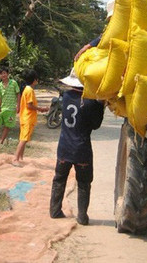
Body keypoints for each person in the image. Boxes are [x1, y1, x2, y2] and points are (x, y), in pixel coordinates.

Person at [49, 68, 104, 225]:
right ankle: (82, 217)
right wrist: (100, 105)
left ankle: (55, 211)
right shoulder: (90, 102)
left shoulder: (66, 96)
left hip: (64, 148)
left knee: (59, 179)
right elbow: (96, 125)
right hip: (82, 150)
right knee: (84, 184)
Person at [12, 69, 48, 166]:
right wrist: (41, 109)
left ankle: (20, 158)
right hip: (28, 118)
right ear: (35, 80)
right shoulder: (30, 90)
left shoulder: (26, 89)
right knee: (24, 139)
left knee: (23, 138)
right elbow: (29, 105)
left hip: (24, 117)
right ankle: (15, 159)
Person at [0, 66, 20, 144]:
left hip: (11, 109)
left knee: (7, 126)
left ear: (8, 74)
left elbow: (18, 94)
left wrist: (18, 105)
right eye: (1, 74)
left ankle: (1, 142)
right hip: (2, 108)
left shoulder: (14, 83)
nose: (3, 75)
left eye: (4, 73)